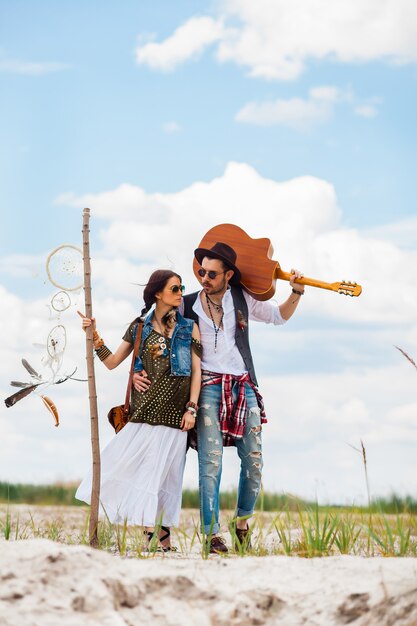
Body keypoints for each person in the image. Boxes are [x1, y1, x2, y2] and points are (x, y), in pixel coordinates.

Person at [133, 242, 304, 554]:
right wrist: (137, 369)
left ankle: (241, 525)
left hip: (243, 385)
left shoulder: (242, 298)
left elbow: (279, 316)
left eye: (212, 273)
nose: (204, 277)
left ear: (228, 275)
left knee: (254, 461)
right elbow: (148, 330)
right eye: (201, 271)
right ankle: (211, 536)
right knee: (209, 464)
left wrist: (296, 293)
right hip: (207, 386)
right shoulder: (185, 306)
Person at [76, 269, 201, 551]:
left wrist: (191, 409)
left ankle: (163, 542)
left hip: (175, 418)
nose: (181, 293)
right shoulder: (139, 327)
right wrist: (94, 336)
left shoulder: (189, 327)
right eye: (175, 288)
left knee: (167, 480)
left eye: (182, 288)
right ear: (158, 293)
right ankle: (150, 539)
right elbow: (111, 363)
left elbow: (196, 372)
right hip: (145, 415)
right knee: (144, 475)